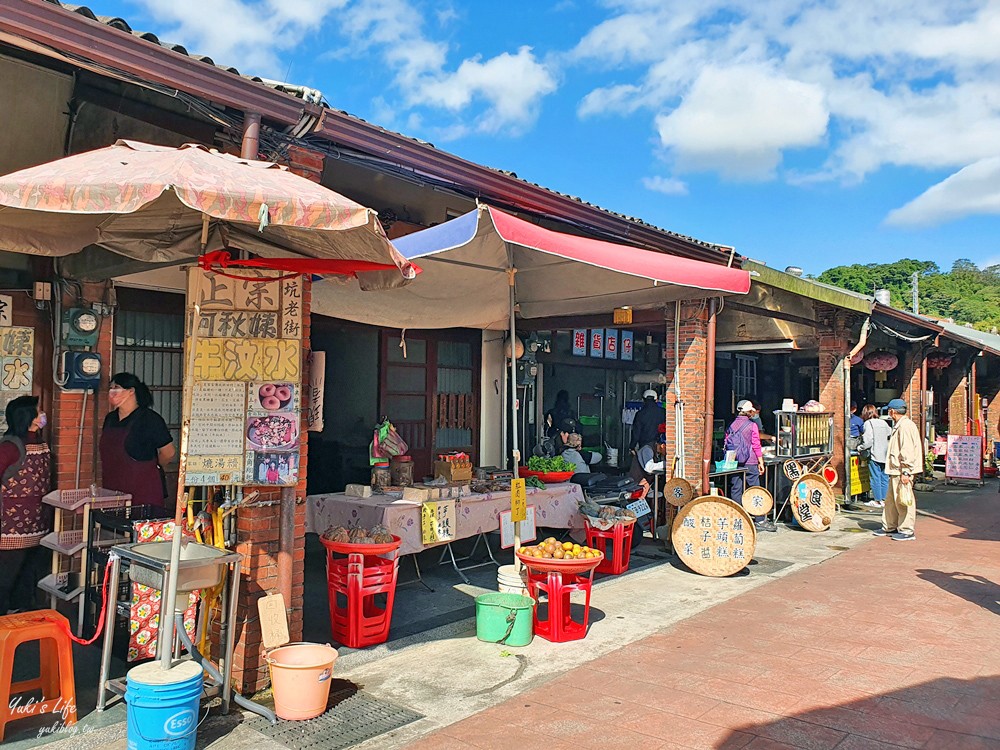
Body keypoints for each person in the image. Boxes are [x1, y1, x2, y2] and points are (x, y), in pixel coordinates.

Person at [0, 396, 51, 614]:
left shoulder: (40, 442)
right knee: (6, 577)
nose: (42, 415)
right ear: (27, 416)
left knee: (27, 575)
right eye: (38, 411)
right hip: (10, 527)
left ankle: (20, 618)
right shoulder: (10, 447)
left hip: (37, 523)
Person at [101, 373, 175, 505]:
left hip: (143, 492)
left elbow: (168, 452)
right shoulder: (110, 419)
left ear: (131, 391)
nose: (112, 392)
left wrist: (154, 466)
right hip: (112, 491)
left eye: (116, 387)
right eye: (110, 388)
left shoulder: (149, 419)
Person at [874, 398, 922, 541]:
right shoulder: (902, 425)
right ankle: (890, 525)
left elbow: (907, 450)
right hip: (896, 470)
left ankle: (906, 529)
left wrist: (906, 471)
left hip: (901, 470)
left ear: (892, 411)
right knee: (891, 500)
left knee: (903, 500)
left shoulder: (905, 426)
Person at [725, 400, 774, 532]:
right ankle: (760, 519)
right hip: (750, 461)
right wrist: (761, 462)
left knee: (736, 489)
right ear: (748, 411)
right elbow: (756, 444)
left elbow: (726, 441)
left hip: (734, 461)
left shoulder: (732, 424)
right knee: (755, 490)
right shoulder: (751, 425)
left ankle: (738, 517)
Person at [859, 403, 891, 508]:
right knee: (884, 477)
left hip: (875, 454)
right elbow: (889, 434)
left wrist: (861, 447)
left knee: (875, 478)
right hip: (885, 454)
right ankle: (884, 500)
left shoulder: (868, 423)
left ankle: (877, 500)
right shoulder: (883, 422)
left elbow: (868, 441)